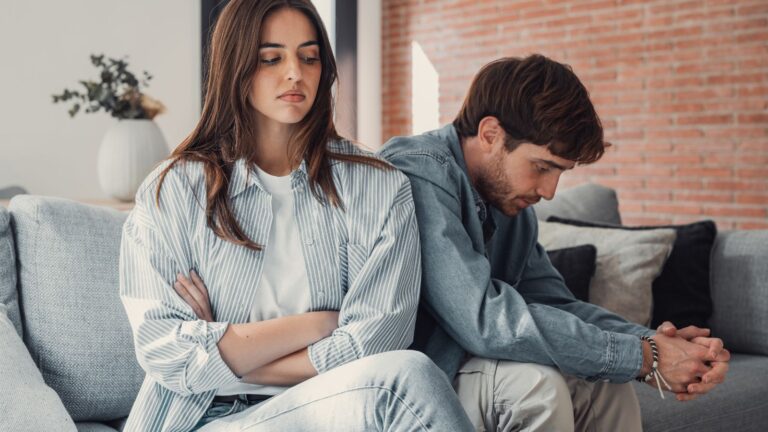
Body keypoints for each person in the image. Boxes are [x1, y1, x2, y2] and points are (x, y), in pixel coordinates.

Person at [119, 1, 473, 430]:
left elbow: (377, 343)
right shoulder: (173, 190)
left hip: (331, 402)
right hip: (205, 417)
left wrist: (226, 345)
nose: (295, 73)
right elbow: (166, 353)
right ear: (235, 66)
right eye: (271, 58)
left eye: (309, 57)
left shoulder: (379, 187)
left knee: (407, 376)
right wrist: (321, 323)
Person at [379, 54, 731, 432]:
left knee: (608, 389)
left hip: (470, 367)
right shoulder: (419, 171)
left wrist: (659, 345)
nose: (549, 191)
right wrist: (645, 358)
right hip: (413, 385)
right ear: (490, 134)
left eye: (559, 173)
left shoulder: (512, 209)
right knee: (537, 387)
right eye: (542, 167)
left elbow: (558, 305)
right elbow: (482, 318)